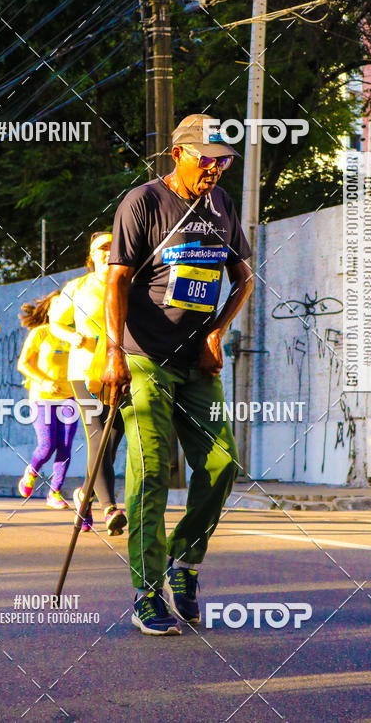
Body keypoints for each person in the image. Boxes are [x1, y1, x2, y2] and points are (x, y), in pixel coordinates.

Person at [102, 114, 253, 635]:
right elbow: (117, 282)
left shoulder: (221, 206)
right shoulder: (142, 202)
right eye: (206, 158)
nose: (215, 168)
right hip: (145, 355)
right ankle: (147, 590)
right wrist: (112, 354)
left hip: (197, 360)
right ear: (178, 155)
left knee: (220, 463)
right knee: (150, 470)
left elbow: (244, 277)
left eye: (223, 160)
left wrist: (217, 332)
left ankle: (184, 566)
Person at [48, 232, 127, 536]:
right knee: (97, 434)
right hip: (84, 370)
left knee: (111, 439)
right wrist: (74, 338)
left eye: (112, 247)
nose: (107, 252)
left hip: (120, 371)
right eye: (101, 249)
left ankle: (84, 493)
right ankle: (110, 508)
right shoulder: (76, 289)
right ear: (91, 256)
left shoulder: (127, 283)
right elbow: (56, 323)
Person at [16, 292, 79, 508]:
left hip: (69, 397)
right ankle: (32, 472)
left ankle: (55, 493)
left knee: (65, 445)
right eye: (57, 305)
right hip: (42, 398)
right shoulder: (40, 333)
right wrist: (43, 381)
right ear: (49, 310)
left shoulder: (76, 335)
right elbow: (23, 363)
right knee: (47, 445)